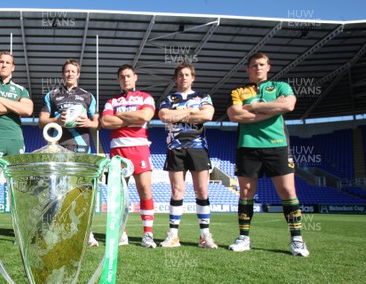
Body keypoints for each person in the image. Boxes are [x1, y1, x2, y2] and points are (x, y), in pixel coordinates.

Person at [226, 52, 309, 257]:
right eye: (254, 65)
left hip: (277, 145)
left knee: (288, 192)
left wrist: (254, 107)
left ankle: (297, 240)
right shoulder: (239, 91)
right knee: (246, 192)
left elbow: (288, 105)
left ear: (268, 67)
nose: (258, 68)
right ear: (248, 69)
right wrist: (273, 110)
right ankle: (244, 238)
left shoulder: (281, 87)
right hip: (247, 146)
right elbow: (235, 115)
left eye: (262, 64)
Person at [38, 58, 101, 247]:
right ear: (63, 74)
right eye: (67, 71)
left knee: (82, 191)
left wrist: (87, 123)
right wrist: (57, 120)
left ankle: (86, 233)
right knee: (56, 191)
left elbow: (97, 123)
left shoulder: (88, 96)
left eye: (73, 71)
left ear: (78, 74)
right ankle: (55, 231)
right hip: (58, 147)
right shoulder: (52, 95)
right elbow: (42, 121)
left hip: (82, 147)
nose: (70, 74)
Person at [157, 63, 218, 249]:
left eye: (187, 75)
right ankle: (173, 236)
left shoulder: (203, 96)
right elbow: (164, 116)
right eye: (180, 75)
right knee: (177, 191)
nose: (183, 78)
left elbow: (207, 115)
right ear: (176, 78)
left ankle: (204, 235)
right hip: (175, 148)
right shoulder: (168, 98)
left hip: (198, 147)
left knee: (202, 191)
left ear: (193, 78)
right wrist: (192, 111)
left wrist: (179, 114)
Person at [101, 64, 157, 248]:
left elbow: (145, 116)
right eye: (122, 76)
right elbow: (106, 121)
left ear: (135, 77)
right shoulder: (111, 101)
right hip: (118, 150)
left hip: (139, 147)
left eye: (129, 76)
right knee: (118, 194)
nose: (126, 79)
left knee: (145, 189)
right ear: (118, 80)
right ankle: (121, 233)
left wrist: (121, 116)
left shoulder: (145, 97)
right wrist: (133, 117)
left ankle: (147, 234)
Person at [0, 51, 33, 158]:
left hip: (16, 138)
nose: (4, 65)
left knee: (16, 174)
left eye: (8, 63)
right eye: (1, 62)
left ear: (13, 67)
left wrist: (0, 100)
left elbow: (27, 110)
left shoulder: (21, 89)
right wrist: (16, 106)